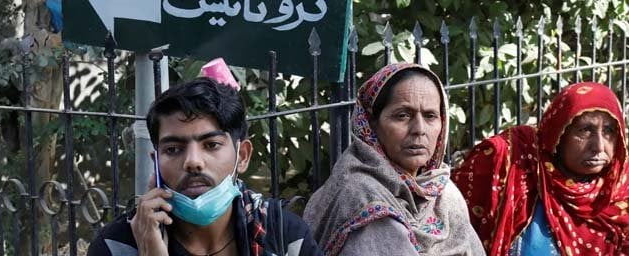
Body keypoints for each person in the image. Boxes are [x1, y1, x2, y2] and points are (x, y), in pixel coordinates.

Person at [88, 77, 323, 256]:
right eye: (173, 149)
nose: (193, 162)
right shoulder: (118, 245)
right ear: (156, 161)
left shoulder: (284, 237)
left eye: (211, 145)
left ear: (242, 156)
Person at [303, 63, 485, 256]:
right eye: (402, 116)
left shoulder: (442, 191)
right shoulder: (362, 196)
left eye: (430, 116)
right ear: (372, 123)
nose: (419, 129)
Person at [452, 82, 629, 256]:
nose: (599, 146)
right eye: (585, 130)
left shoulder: (621, 187)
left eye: (608, 131)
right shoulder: (513, 161)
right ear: (558, 133)